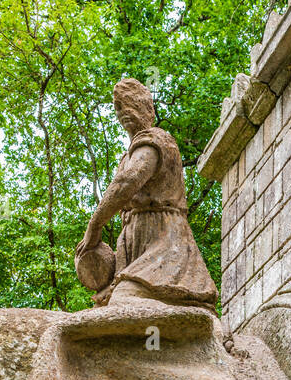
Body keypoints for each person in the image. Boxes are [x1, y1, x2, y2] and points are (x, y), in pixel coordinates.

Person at [76, 77, 218, 308]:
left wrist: (95, 225)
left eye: (131, 103)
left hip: (165, 243)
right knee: (107, 306)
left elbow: (127, 182)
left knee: (125, 303)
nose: (124, 111)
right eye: (119, 107)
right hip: (134, 245)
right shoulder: (127, 156)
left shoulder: (156, 139)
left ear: (147, 108)